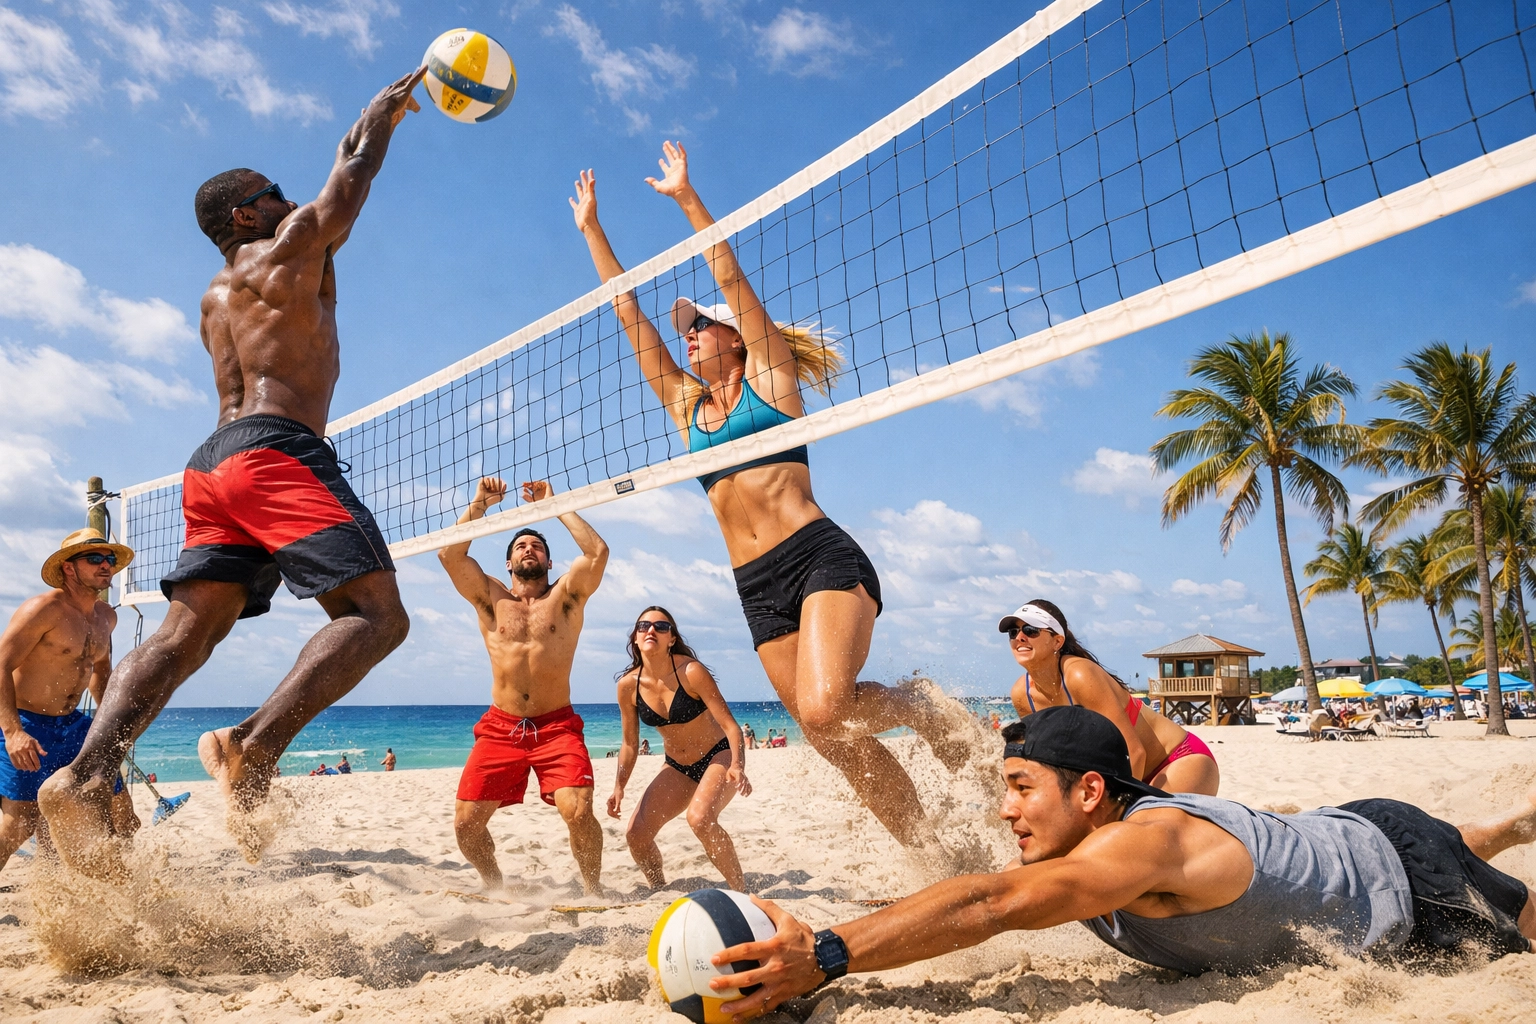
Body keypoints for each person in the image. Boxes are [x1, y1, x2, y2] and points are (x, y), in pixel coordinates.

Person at [38, 68, 427, 879]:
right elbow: (350, 182)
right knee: (379, 616)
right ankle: (254, 747)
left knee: (189, 631)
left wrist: (340, 159)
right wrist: (381, 118)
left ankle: (86, 776)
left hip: (210, 464)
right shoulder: (283, 250)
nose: (292, 199)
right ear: (247, 213)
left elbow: (328, 220)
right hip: (274, 452)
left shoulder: (218, 293)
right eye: (275, 191)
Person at [569, 146, 975, 848]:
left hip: (816, 555)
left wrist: (687, 200)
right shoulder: (686, 408)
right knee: (832, 739)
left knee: (826, 709)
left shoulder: (773, 380)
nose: (689, 336)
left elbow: (728, 271)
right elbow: (627, 314)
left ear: (735, 336)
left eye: (701, 326)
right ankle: (931, 851)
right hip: (755, 584)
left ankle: (920, 704)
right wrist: (593, 233)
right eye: (688, 330)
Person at [705, 705, 1536, 1014]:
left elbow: (989, 904)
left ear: (1094, 792)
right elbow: (981, 897)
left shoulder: (1144, 845)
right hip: (1341, 825)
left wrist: (826, 956)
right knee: (1466, 836)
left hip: (1410, 877)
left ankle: (1491, 839)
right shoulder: (1106, 836)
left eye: (1024, 787)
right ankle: (1503, 824)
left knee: (1509, 910)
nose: (1005, 808)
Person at [439, 476, 608, 895]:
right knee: (465, 824)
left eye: (537, 546)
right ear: (509, 565)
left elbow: (597, 552)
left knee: (580, 813)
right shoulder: (489, 597)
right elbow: (449, 554)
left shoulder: (567, 598)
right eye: (520, 547)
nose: (528, 549)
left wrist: (556, 505)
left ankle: (592, 890)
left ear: (550, 563)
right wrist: (479, 504)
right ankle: (494, 884)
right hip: (502, 727)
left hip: (557, 727)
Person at [1, 531, 141, 876]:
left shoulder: (106, 616)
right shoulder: (43, 609)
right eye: (94, 559)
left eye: (109, 559)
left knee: (121, 811)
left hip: (74, 724)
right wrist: (13, 732)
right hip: (28, 722)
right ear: (68, 567)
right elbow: (2, 664)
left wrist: (112, 727)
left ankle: (109, 892)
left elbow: (101, 674)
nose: (105, 565)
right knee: (21, 820)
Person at [1002, 600, 1219, 794]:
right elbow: (1046, 761)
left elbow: (1134, 751)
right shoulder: (1022, 695)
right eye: (1013, 632)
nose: (1019, 637)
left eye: (1031, 630)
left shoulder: (1079, 674)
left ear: (1057, 641)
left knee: (1134, 830)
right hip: (1117, 776)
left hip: (1177, 760)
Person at [609, 606, 752, 892]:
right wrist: (619, 786)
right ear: (635, 638)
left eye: (661, 627)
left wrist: (737, 765)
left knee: (699, 819)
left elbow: (731, 726)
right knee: (636, 835)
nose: (651, 630)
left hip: (717, 756)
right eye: (643, 626)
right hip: (678, 766)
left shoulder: (691, 672)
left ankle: (740, 892)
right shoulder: (628, 686)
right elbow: (629, 744)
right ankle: (659, 889)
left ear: (671, 638)